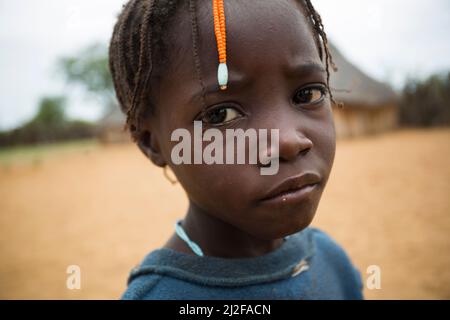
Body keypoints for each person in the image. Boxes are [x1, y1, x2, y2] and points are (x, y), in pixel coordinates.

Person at [109, 0, 363, 299]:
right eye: (221, 115)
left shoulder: (332, 262)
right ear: (151, 142)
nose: (287, 141)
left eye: (308, 94)